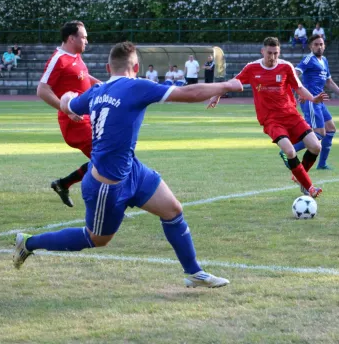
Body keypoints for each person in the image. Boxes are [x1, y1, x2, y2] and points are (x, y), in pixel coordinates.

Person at [13, 41, 243, 288]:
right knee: (96, 239)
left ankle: (194, 273)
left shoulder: (97, 91)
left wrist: (67, 99)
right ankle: (28, 242)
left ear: (107, 67)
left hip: (131, 170)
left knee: (173, 210)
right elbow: (187, 93)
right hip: (106, 184)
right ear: (136, 66)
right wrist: (227, 85)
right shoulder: (136, 86)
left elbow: (69, 104)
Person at [208, 36, 327, 198]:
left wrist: (313, 99)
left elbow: (298, 88)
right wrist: (217, 95)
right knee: (290, 151)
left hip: (292, 116)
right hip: (271, 120)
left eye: (276, 53)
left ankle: (298, 176)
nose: (272, 57)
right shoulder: (252, 68)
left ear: (279, 52)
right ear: (263, 51)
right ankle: (309, 188)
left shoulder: (286, 67)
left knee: (316, 146)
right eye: (269, 53)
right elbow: (233, 82)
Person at [37, 20, 103, 208]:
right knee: (107, 159)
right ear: (71, 38)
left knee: (105, 159)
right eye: (83, 37)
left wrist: (104, 86)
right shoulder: (58, 58)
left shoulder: (76, 56)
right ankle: (108, 204)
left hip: (88, 119)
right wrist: (65, 109)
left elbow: (83, 77)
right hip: (75, 123)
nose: (86, 41)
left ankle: (63, 184)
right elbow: (42, 90)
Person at [279, 34, 339, 170]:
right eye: (316, 44)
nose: (319, 47)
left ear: (324, 46)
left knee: (331, 129)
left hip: (319, 101)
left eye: (321, 44)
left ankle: (322, 164)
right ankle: (288, 151)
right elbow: (294, 74)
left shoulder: (324, 60)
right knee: (319, 133)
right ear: (310, 46)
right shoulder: (308, 59)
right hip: (310, 101)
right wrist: (300, 92)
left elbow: (329, 82)